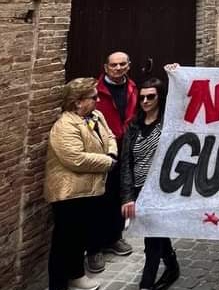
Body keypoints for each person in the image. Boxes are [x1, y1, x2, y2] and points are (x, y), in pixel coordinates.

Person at [46, 78, 117, 290]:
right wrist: (108, 162)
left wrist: (112, 152)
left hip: (88, 189)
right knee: (64, 241)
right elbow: (75, 159)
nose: (98, 100)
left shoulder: (97, 116)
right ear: (78, 101)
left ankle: (76, 275)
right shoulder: (65, 125)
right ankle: (57, 285)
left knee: (79, 237)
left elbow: (110, 136)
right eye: (93, 97)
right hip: (69, 193)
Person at [119, 77, 179, 290]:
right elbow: (126, 163)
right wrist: (127, 197)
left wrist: (176, 75)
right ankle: (172, 265)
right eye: (142, 97)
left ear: (160, 97)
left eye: (150, 97)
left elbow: (186, 102)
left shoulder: (169, 123)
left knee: (151, 239)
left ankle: (146, 284)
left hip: (162, 190)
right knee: (157, 231)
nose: (145, 101)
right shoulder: (133, 126)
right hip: (140, 189)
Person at [89, 52, 135, 273]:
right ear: (106, 67)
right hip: (102, 151)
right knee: (98, 199)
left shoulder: (133, 88)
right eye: (114, 65)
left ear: (128, 66)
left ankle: (114, 237)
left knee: (119, 194)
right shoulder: (95, 90)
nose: (118, 68)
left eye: (122, 64)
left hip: (125, 149)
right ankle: (94, 248)